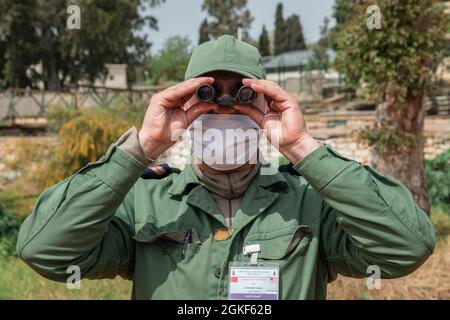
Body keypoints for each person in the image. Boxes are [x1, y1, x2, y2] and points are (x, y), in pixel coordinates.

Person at [17, 35, 435, 300]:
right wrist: (141, 149)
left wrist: (302, 147)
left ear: (267, 101)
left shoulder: (309, 202)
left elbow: (407, 248)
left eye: (242, 94)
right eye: (207, 93)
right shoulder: (144, 201)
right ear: (184, 101)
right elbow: (44, 251)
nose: (222, 106)